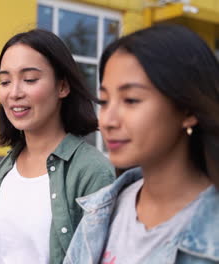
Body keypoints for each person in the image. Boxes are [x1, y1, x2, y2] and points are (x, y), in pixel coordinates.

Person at [63, 24, 219, 264]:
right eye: (104, 101)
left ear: (187, 109)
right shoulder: (100, 210)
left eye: (131, 100)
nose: (108, 120)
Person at [0, 29, 115, 264]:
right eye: (5, 81)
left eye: (30, 79)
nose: (14, 93)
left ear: (62, 87)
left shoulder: (92, 171)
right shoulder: (7, 166)